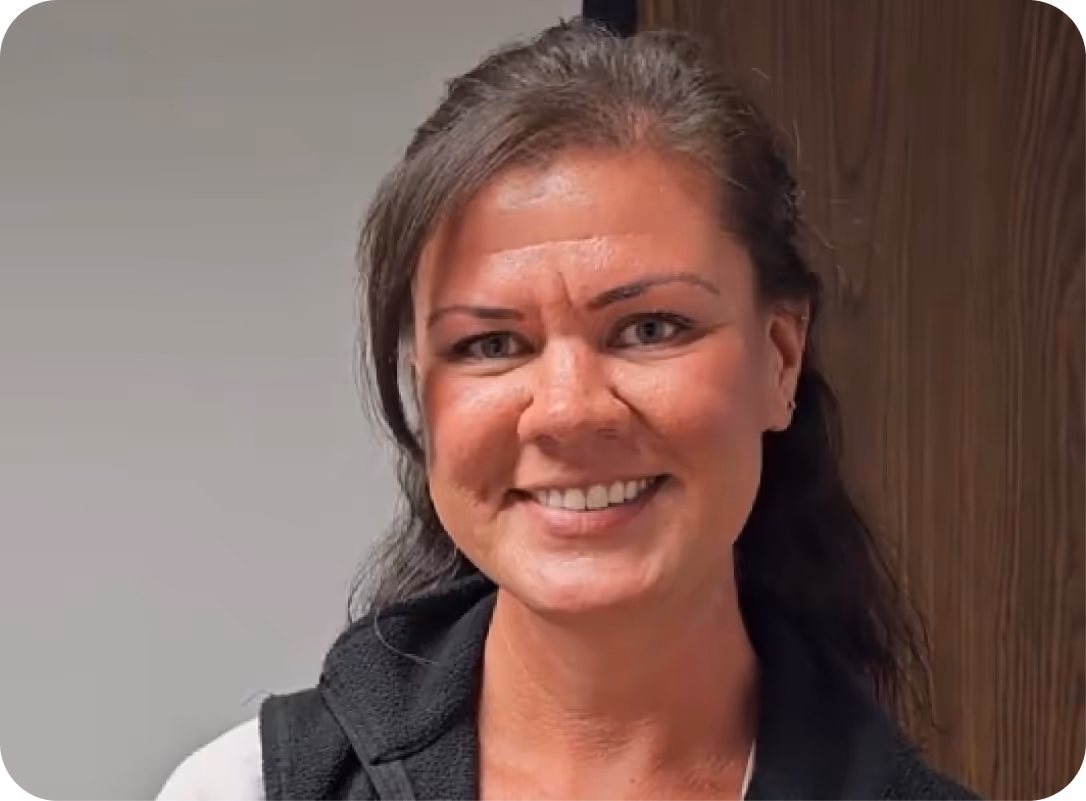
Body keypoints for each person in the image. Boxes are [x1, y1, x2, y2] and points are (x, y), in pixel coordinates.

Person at [158, 18, 984, 801]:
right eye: (489, 344)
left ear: (779, 356)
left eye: (650, 327)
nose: (566, 411)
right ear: (421, 388)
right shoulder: (246, 789)